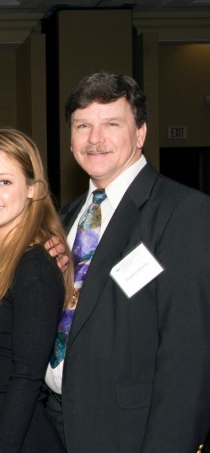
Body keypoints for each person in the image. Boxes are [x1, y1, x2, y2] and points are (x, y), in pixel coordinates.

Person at [44, 72, 210, 452]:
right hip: (55, 425)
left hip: (128, 434)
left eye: (111, 124)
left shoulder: (184, 213)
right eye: (82, 125)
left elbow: (189, 358)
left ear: (140, 134)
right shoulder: (64, 218)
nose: (94, 138)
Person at [0, 129, 70, 453]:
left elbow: (26, 378)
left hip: (17, 441)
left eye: (4, 182)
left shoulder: (34, 267)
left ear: (33, 190)